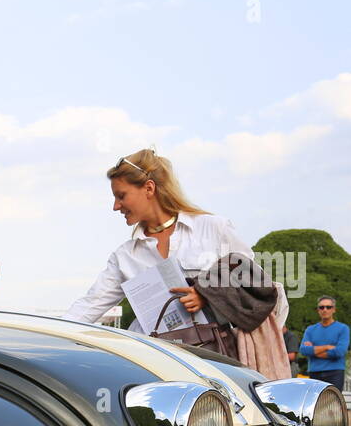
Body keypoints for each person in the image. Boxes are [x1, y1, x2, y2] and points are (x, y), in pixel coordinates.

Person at [64, 149, 290, 378]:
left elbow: (257, 285)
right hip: (152, 369)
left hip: (215, 365)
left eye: (121, 196)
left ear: (149, 188)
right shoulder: (125, 255)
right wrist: (40, 336)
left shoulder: (213, 229)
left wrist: (208, 294)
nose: (115, 206)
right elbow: (89, 306)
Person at [299, 296, 349, 390]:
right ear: (318, 310)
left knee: (333, 403)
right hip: (314, 372)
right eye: (321, 307)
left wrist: (314, 350)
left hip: (335, 372)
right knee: (315, 403)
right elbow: (304, 350)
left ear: (334, 309)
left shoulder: (343, 328)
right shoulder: (310, 330)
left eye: (328, 307)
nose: (324, 310)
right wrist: (327, 347)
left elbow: (340, 352)